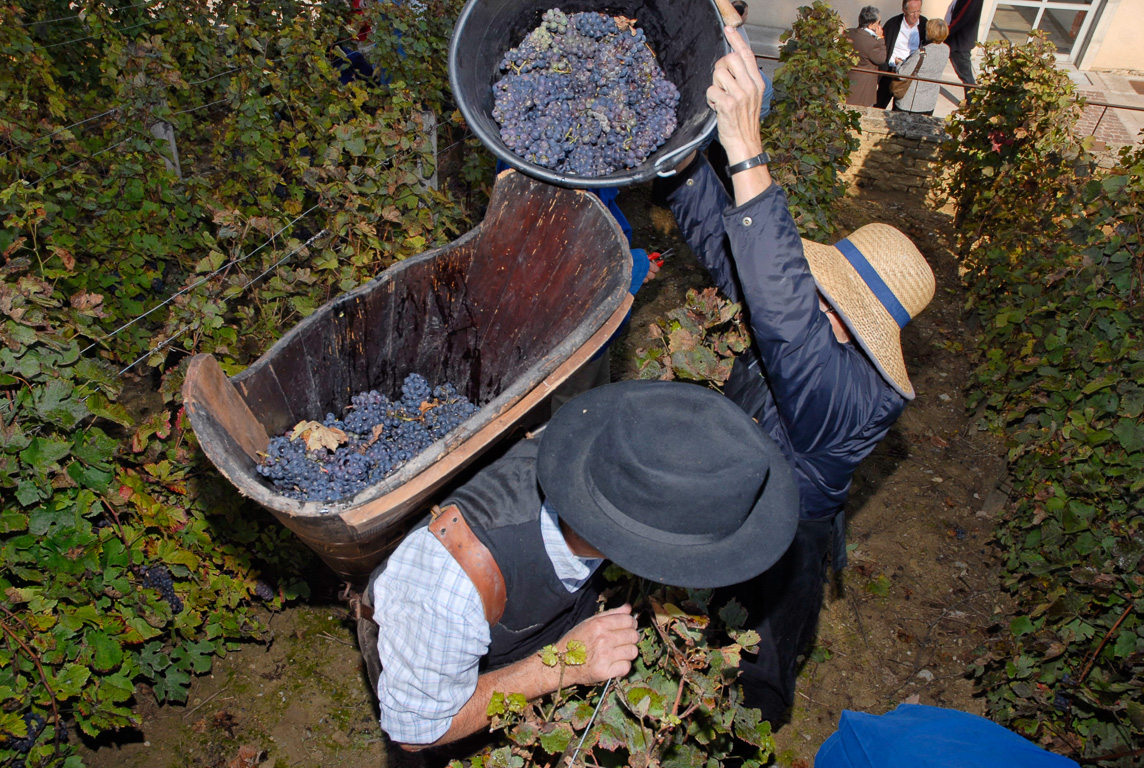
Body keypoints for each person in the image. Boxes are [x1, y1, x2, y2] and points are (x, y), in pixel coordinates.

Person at [655, 26, 936, 723]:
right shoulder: (812, 330)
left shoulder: (852, 398)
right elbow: (729, 245)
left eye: (824, 291)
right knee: (691, 633)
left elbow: (782, 315)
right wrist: (681, 152)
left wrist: (748, 149)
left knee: (755, 677)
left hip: (781, 548)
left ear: (846, 318)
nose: (809, 292)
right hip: (733, 505)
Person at [358, 380, 799, 749]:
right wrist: (562, 665)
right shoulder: (450, 585)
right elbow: (416, 731)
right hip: (435, 669)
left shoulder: (611, 457)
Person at [875, 0, 928, 109]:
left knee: (901, 109)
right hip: (891, 72)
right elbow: (883, 46)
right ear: (904, 10)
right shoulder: (893, 24)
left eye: (918, 11)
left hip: (909, 74)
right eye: (912, 12)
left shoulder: (924, 24)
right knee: (879, 105)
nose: (916, 15)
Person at [892, 19, 950, 115]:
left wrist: (899, 63)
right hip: (929, 102)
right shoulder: (946, 49)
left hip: (911, 103)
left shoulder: (922, 52)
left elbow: (902, 75)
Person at [845, 6, 887, 107]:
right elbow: (881, 58)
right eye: (879, 22)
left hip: (849, 79)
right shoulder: (871, 42)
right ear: (871, 24)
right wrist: (881, 38)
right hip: (864, 85)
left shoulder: (849, 32)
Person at [945, 0, 984, 86]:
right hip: (955, 40)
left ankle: (972, 99)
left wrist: (945, 32)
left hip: (958, 42)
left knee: (966, 77)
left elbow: (960, 19)